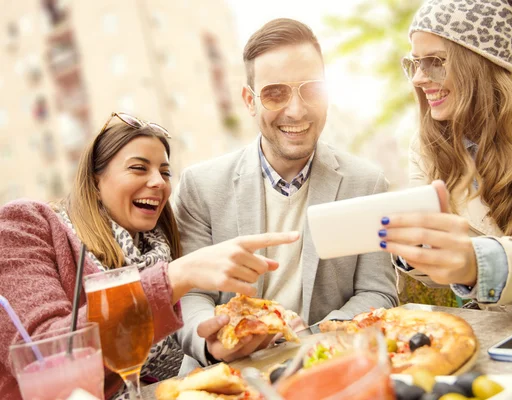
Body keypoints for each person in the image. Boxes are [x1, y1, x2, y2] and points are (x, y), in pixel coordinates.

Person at [0, 112, 299, 399]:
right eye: (138, 168)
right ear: (94, 181)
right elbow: (45, 351)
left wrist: (214, 346)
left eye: (165, 172)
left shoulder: (158, 251)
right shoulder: (26, 223)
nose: (158, 182)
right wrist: (173, 278)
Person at [173, 18, 399, 373]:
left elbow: (378, 293)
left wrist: (316, 336)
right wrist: (211, 341)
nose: (296, 110)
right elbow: (188, 293)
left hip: (325, 368)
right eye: (275, 93)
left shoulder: (365, 183)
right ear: (250, 101)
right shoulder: (200, 187)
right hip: (221, 379)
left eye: (310, 89)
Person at [379, 0, 512, 318]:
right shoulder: (426, 146)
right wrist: (414, 251)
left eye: (437, 62)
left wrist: (474, 263)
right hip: (495, 332)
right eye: (415, 63)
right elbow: (440, 275)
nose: (418, 79)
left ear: (481, 63)